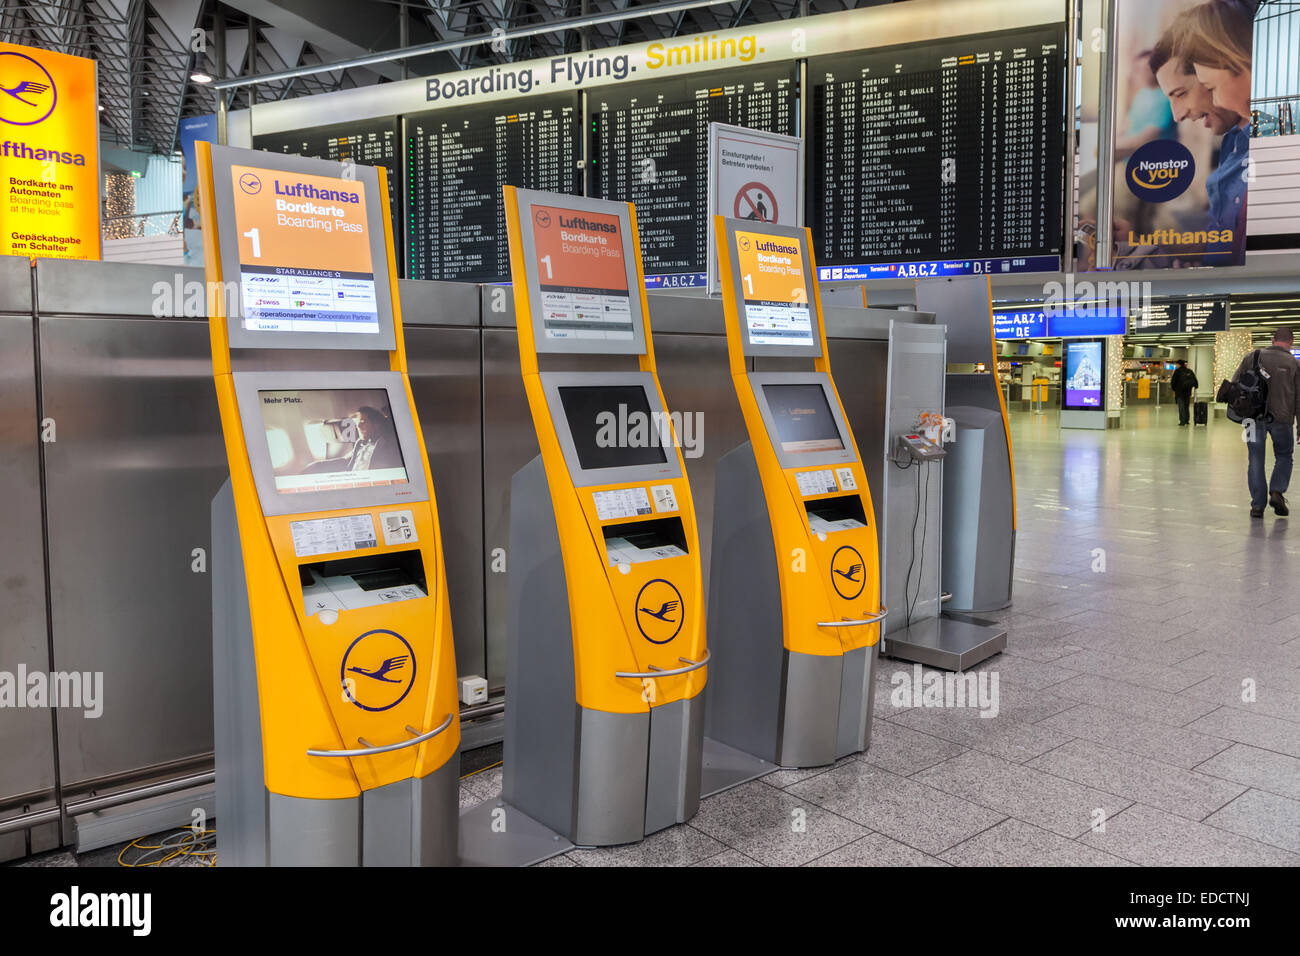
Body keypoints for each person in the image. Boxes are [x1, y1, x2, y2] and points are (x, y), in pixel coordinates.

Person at [1233, 328, 1299, 517]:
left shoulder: (1253, 357)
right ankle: (1277, 491)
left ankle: (1257, 506)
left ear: (1272, 340)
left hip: (1253, 419)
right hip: (1283, 420)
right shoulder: (1294, 364)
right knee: (1285, 456)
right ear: (1291, 342)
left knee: (1255, 459)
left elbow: (1236, 383)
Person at [1171, 359, 1199, 425]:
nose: (1176, 366)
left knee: (1181, 406)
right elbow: (1195, 381)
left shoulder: (1177, 371)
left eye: (1177, 364)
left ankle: (1182, 421)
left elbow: (1173, 382)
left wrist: (1175, 389)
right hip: (1187, 392)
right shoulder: (1189, 371)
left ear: (1179, 364)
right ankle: (1187, 420)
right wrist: (1194, 387)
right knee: (1186, 406)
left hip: (1179, 392)